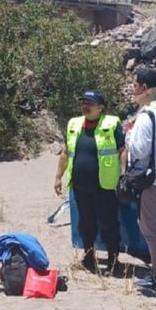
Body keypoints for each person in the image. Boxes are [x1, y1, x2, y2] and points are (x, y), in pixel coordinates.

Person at [54, 89, 126, 276]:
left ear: (101, 107)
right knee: (86, 223)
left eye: (90, 103)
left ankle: (113, 261)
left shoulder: (111, 123)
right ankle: (88, 258)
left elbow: (122, 150)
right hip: (80, 185)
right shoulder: (74, 124)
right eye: (83, 102)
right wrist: (58, 177)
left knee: (109, 223)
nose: (85, 106)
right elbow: (66, 152)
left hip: (105, 185)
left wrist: (123, 174)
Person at [124, 66, 156, 293]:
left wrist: (128, 134)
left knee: (150, 230)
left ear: (144, 88)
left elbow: (140, 150)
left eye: (134, 85)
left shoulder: (146, 116)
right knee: (151, 227)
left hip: (150, 181)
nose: (132, 89)